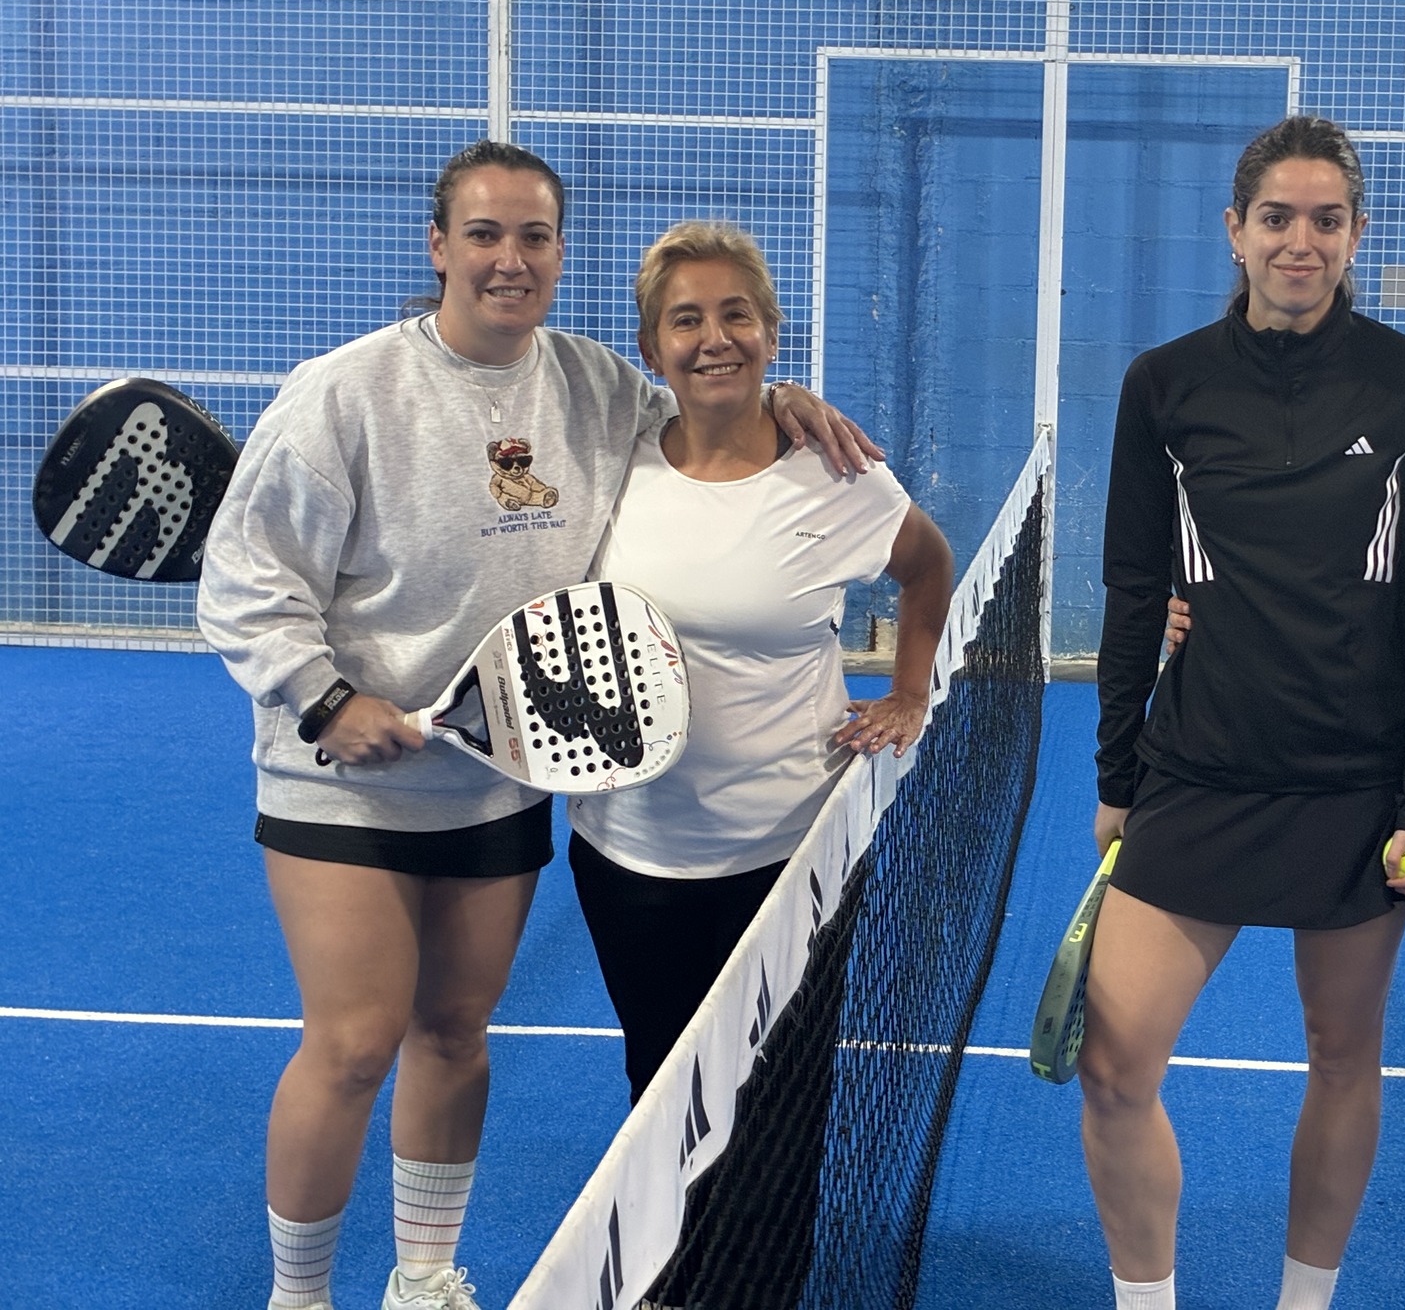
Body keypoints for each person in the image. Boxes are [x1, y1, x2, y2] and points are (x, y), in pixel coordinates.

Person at [196, 142, 877, 1310]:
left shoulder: (595, 387)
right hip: (342, 781)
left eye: (534, 237)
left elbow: (701, 412)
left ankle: (423, 1280)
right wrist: (324, 698)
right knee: (355, 1041)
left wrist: (781, 401)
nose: (509, 259)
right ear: (439, 247)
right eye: (484, 234)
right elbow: (246, 577)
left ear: (560, 253)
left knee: (455, 1029)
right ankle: (298, 1298)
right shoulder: (344, 393)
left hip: (499, 774)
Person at [1083, 115, 1405, 1310]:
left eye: (1327, 220)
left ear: (1356, 235)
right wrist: (1116, 777)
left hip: (1356, 785)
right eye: (1278, 218)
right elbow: (1133, 590)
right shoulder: (1164, 385)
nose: (1302, 241)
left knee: (1343, 1056)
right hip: (1198, 773)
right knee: (1113, 1066)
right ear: (1235, 231)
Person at [566, 219, 954, 1108]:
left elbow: (928, 564)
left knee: (785, 1102)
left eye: (737, 315)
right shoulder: (608, 463)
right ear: (651, 350)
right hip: (630, 854)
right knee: (662, 1093)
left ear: (771, 336)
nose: (715, 339)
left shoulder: (836, 473)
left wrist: (910, 690)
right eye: (686, 319)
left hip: (789, 857)